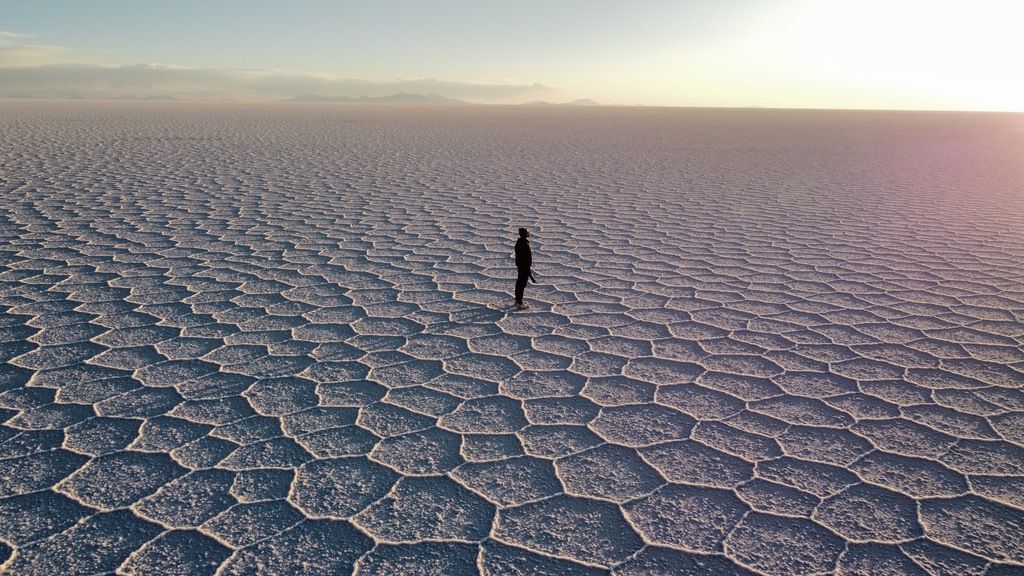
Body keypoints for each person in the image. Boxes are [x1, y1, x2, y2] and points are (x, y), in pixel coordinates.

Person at [514, 227, 536, 308]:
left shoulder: (519, 242)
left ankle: (518, 299)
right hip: (524, 266)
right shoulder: (524, 244)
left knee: (520, 283)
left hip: (521, 266)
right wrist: (529, 272)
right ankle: (519, 302)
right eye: (527, 232)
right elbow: (525, 258)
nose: (528, 233)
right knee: (521, 284)